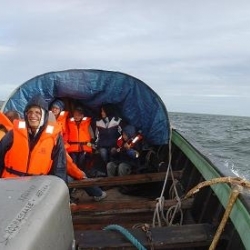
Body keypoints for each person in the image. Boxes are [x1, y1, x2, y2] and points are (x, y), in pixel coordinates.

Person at [0, 95, 67, 182]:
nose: (33, 115)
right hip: (11, 185)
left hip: (36, 188)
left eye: (38, 112)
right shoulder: (12, 134)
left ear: (44, 115)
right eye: (30, 112)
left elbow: (59, 169)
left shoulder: (55, 138)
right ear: (26, 114)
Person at [66, 105, 106, 201]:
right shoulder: (69, 123)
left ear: (82, 115)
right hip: (73, 148)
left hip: (84, 148)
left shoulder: (87, 123)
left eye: (79, 115)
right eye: (75, 114)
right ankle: (78, 184)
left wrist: (92, 144)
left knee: (82, 166)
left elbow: (91, 134)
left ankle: (82, 181)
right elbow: (66, 134)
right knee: (74, 166)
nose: (76, 116)